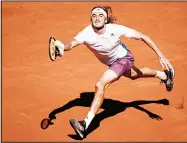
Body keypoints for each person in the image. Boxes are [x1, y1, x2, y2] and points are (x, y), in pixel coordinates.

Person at [53, 5, 175, 139]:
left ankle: (85, 124)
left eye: (100, 16)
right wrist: (61, 45)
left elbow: (142, 36)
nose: (97, 18)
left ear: (105, 19)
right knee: (135, 75)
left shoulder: (116, 29)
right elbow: (71, 43)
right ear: (91, 19)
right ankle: (164, 75)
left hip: (124, 59)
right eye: (94, 16)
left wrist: (161, 55)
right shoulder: (86, 33)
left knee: (100, 84)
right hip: (113, 63)